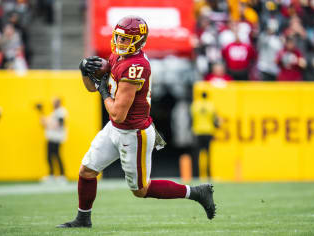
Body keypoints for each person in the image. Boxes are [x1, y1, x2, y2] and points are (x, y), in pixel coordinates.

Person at [57, 16, 216, 228]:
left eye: (125, 39)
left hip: (134, 133)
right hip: (115, 129)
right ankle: (83, 219)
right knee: (87, 170)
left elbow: (117, 114)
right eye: (119, 38)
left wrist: (104, 90)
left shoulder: (135, 66)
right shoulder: (119, 56)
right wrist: (84, 71)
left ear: (139, 41)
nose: (120, 43)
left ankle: (196, 192)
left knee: (141, 190)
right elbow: (92, 88)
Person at [37, 98, 67, 183]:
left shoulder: (61, 111)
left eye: (55, 102)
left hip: (57, 138)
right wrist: (41, 112)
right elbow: (45, 124)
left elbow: (60, 123)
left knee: (56, 156)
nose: (53, 103)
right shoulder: (54, 113)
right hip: (51, 137)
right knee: (49, 156)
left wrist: (48, 124)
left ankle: (62, 175)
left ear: (59, 102)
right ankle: (52, 175)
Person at [190, 91, 218, 179]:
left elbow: (191, 119)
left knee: (197, 155)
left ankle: (196, 175)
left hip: (198, 132)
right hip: (208, 132)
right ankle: (209, 174)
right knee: (208, 154)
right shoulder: (211, 106)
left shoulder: (195, 105)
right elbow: (215, 120)